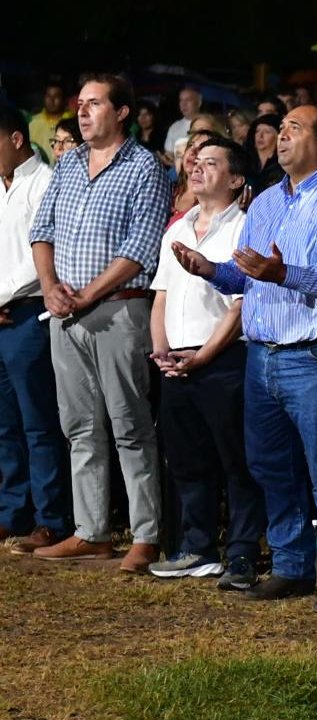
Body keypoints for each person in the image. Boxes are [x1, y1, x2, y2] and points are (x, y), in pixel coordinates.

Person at [170, 105, 317, 613]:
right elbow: (249, 275)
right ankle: (290, 565)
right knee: (269, 466)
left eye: (295, 129)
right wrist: (212, 270)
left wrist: (283, 274)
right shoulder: (263, 203)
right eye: (279, 130)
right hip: (262, 356)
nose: (281, 138)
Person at [28, 74, 170, 573]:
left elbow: (141, 246)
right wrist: (50, 287)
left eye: (94, 104)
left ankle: (146, 534)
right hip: (63, 312)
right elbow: (41, 231)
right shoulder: (66, 166)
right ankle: (92, 532)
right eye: (80, 104)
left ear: (122, 112)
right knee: (79, 427)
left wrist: (87, 294)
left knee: (129, 424)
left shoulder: (144, 168)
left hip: (118, 311)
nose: (83, 112)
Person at [146, 136, 264, 588]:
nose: (196, 168)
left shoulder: (245, 227)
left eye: (210, 163)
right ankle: (197, 547)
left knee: (236, 460)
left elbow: (239, 307)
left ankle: (241, 552)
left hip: (223, 359)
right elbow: (161, 296)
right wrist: (162, 353)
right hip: (175, 361)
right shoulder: (178, 228)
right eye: (195, 162)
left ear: (236, 179)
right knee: (187, 460)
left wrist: (203, 356)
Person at [0, 103, 70, 554]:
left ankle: (52, 517)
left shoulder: (44, 183)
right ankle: (12, 512)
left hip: (27, 312)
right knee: (5, 423)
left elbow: (41, 255)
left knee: (38, 421)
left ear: (16, 139)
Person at [28, 83, 72, 165]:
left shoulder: (72, 122)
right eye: (49, 96)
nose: (52, 100)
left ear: (64, 99)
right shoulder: (34, 122)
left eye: (56, 96)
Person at [164, 86, 202, 163]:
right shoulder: (174, 127)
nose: (183, 104)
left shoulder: (208, 125)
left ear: (199, 103)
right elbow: (169, 153)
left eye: (188, 100)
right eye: (181, 100)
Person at [246, 114, 283, 194]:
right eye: (257, 131)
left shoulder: (282, 167)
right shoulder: (245, 163)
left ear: (278, 137)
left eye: (267, 132)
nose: (260, 136)